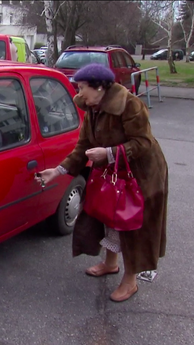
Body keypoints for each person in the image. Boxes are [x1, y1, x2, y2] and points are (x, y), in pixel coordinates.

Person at [36, 63, 169, 302]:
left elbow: (143, 143)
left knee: (131, 224)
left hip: (142, 174)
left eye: (82, 87)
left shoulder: (130, 105)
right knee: (109, 215)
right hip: (113, 172)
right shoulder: (92, 107)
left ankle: (130, 282)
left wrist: (108, 154)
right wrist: (56, 171)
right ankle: (110, 264)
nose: (78, 93)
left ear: (100, 87)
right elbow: (82, 147)